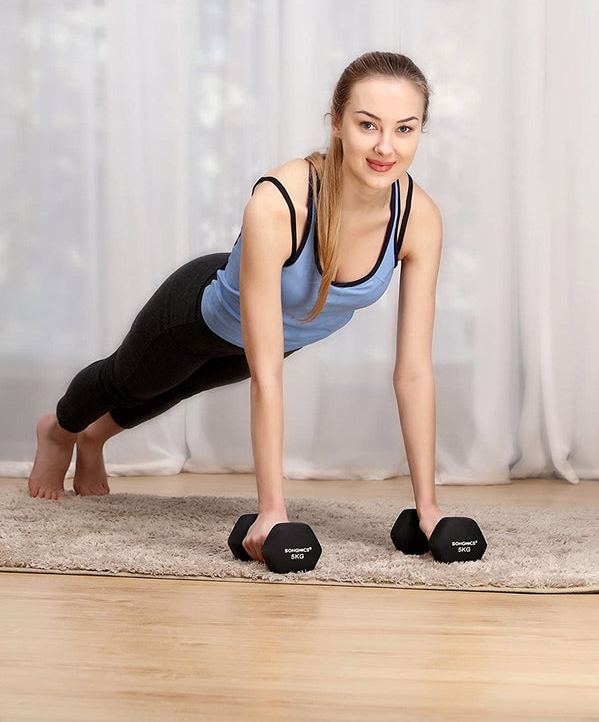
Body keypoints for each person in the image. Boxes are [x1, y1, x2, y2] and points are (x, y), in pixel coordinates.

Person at [29, 50, 448, 564]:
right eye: (368, 124)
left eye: (405, 129)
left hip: (276, 339)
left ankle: (93, 440)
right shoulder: (282, 200)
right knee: (129, 379)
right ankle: (60, 430)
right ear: (336, 122)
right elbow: (266, 374)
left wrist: (428, 509)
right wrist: (272, 510)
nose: (386, 146)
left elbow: (413, 373)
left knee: (173, 389)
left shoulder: (418, 218)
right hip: (198, 316)